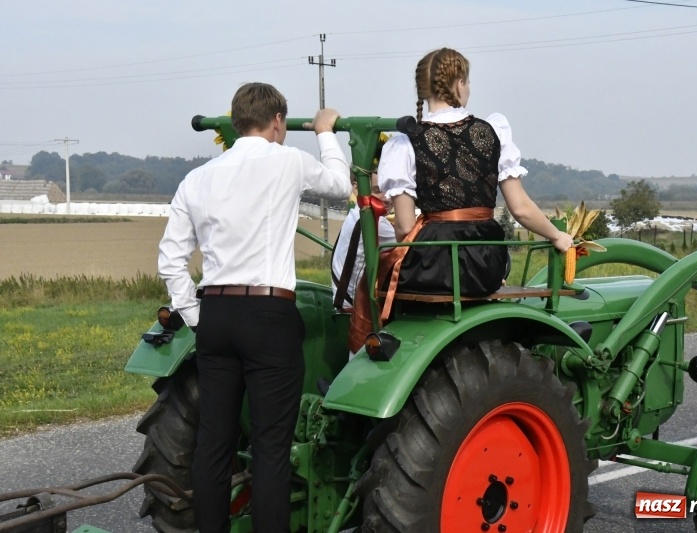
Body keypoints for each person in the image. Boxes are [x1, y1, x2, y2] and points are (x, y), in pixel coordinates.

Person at [157, 82, 350, 533]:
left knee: (213, 445)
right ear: (278, 121)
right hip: (267, 315)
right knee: (270, 448)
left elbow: (170, 260)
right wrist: (325, 132)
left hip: (216, 317)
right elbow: (340, 186)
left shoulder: (197, 179)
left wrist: (195, 316)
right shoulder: (287, 161)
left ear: (238, 122)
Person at [376, 47, 573, 321]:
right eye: (467, 82)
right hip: (486, 263)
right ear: (459, 84)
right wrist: (557, 236)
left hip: (434, 263)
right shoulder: (493, 131)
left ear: (421, 90)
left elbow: (406, 227)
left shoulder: (404, 142)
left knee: (374, 280)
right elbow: (521, 209)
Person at [331, 173, 395, 310]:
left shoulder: (355, 213)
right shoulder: (373, 221)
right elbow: (409, 242)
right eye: (377, 191)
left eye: (390, 190)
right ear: (356, 188)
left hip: (342, 299)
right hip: (356, 307)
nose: (387, 198)